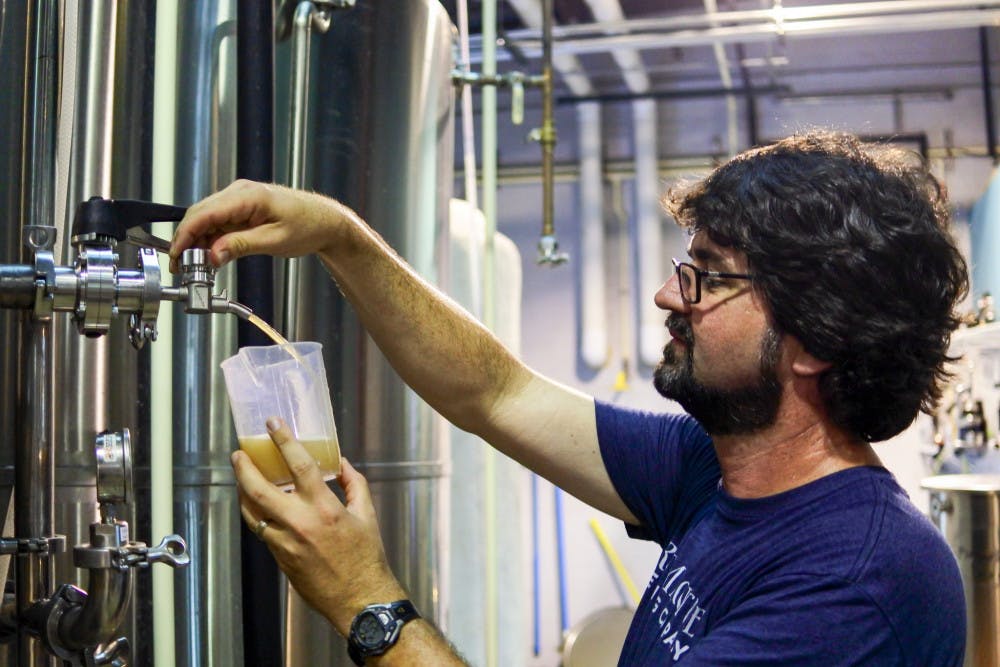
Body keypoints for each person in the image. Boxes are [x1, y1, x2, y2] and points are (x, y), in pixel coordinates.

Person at [170, 131, 968, 665]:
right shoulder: (717, 469)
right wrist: (338, 236)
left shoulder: (860, 582)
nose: (666, 294)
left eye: (708, 275)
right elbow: (496, 390)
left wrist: (364, 598)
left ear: (817, 340)